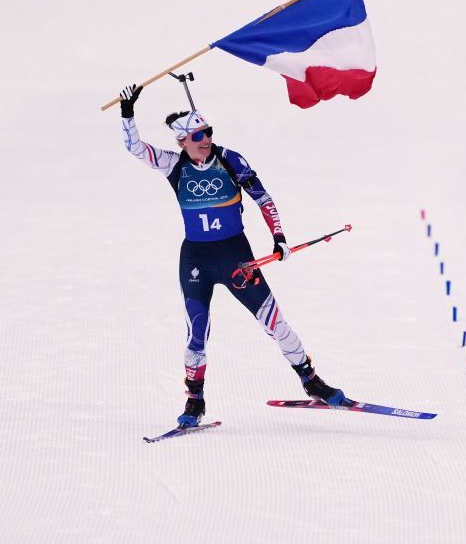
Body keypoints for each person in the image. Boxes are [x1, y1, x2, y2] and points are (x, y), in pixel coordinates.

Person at [115, 83, 345, 428]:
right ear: (182, 141)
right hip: (196, 260)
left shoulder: (229, 159)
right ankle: (195, 400)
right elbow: (135, 149)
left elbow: (263, 198)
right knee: (197, 332)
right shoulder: (172, 164)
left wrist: (278, 237)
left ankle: (311, 380)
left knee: (275, 323)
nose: (205, 139)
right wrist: (128, 113)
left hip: (237, 257)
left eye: (207, 132)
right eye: (197, 136)